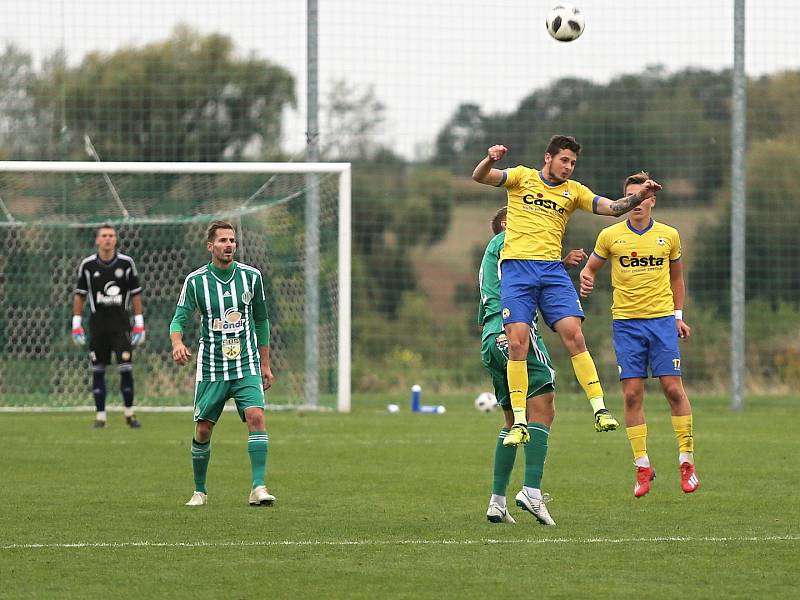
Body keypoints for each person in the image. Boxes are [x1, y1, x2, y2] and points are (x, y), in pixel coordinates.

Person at [472, 135, 662, 446]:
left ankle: (599, 409)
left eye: (573, 163)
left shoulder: (574, 192)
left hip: (550, 271)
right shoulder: (522, 177)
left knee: (574, 333)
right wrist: (491, 159)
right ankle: (519, 421)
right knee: (517, 342)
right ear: (548, 158)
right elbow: (480, 176)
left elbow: (613, 208)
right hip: (518, 270)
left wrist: (639, 196)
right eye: (564, 160)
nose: (569, 167)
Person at [579, 171, 700, 498]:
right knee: (632, 395)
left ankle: (686, 461)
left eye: (642, 198)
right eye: (631, 198)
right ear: (626, 201)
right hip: (626, 324)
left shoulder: (669, 236)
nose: (637, 204)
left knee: (673, 389)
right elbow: (590, 267)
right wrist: (586, 278)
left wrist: (678, 316)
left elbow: (677, 279)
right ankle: (642, 466)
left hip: (661, 321)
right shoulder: (610, 236)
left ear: (652, 200)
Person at [480, 207, 587, 526]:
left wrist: (560, 262)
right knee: (545, 407)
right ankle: (532, 491)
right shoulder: (507, 240)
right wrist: (558, 264)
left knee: (514, 420)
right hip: (513, 333)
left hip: (489, 337)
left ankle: (497, 500)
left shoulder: (498, 251)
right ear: (506, 224)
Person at [170, 220, 276, 507]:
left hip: (246, 363)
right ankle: (200, 491)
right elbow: (179, 318)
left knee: (256, 416)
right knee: (203, 428)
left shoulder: (251, 277)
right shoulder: (196, 281)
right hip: (212, 366)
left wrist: (265, 364)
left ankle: (258, 487)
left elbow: (262, 320)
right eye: (222, 241)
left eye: (232, 240)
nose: (229, 245)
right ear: (210, 246)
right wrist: (177, 343)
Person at [72, 225, 145, 428]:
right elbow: (80, 295)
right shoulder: (87, 266)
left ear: (116, 239)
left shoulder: (126, 263)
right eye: (104, 236)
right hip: (98, 327)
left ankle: (130, 415)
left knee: (126, 369)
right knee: (98, 370)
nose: (108, 239)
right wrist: (76, 324)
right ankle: (101, 417)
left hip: (121, 326)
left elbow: (136, 293)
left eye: (111, 236)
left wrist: (139, 323)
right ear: (97, 240)